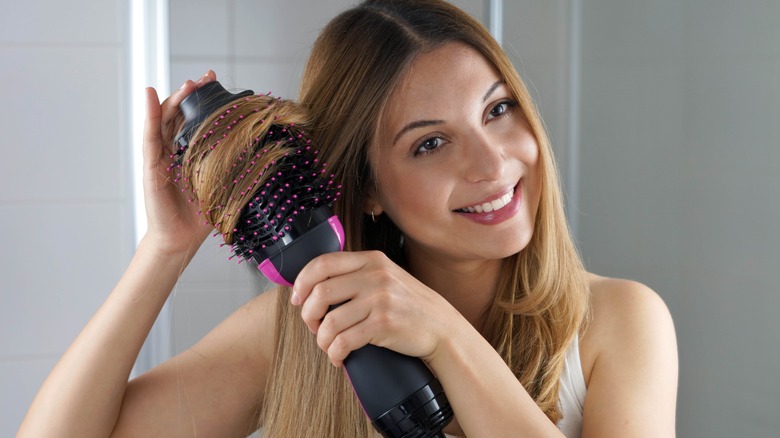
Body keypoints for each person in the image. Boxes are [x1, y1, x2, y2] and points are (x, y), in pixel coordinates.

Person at [18, 1, 678, 437]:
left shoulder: (619, 322)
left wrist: (442, 334)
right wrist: (163, 250)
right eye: (429, 143)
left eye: (498, 110)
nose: (493, 162)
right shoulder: (304, 332)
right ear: (366, 192)